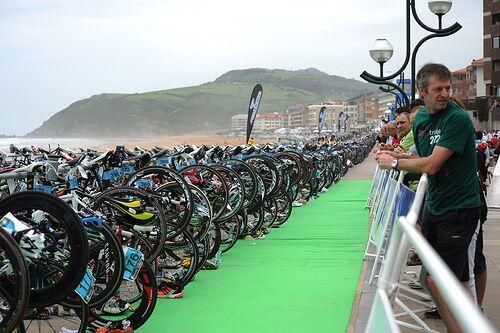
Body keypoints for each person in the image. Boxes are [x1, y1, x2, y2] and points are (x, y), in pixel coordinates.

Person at [375, 63, 481, 333]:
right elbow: (420, 159)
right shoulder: (421, 120)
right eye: (438, 89)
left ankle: (470, 325)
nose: (445, 93)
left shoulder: (457, 119)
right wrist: (398, 156)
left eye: (448, 88)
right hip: (435, 206)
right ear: (423, 91)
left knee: (451, 282)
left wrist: (395, 165)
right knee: (433, 281)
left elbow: (432, 165)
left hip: (459, 210)